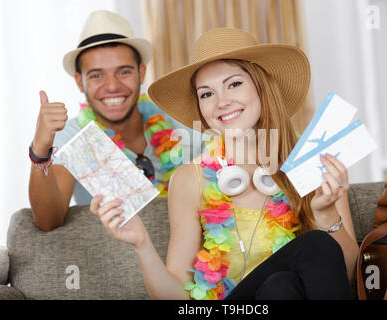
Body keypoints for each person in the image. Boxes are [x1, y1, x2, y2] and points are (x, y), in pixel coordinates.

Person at [90, 28, 359, 300]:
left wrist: (325, 215)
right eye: (206, 94)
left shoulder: (314, 160)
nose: (222, 102)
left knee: (281, 286)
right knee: (308, 250)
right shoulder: (189, 179)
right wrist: (142, 244)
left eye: (234, 84)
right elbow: (177, 298)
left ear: (261, 86)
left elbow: (346, 274)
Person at [28, 10, 201, 232]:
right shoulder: (73, 134)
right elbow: (48, 222)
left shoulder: (177, 118)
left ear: (141, 72)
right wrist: (40, 150)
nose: (111, 86)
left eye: (124, 72)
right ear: (80, 82)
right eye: (97, 75)